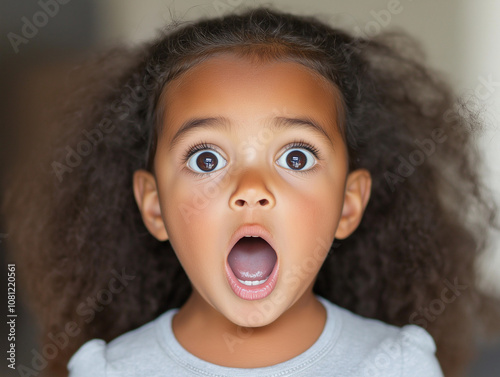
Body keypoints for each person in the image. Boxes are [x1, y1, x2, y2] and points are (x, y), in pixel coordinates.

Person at [3, 5, 500, 377]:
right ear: (153, 207)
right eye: (206, 159)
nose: (251, 190)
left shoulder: (393, 366)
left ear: (349, 205)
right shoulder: (111, 372)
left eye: (296, 157)